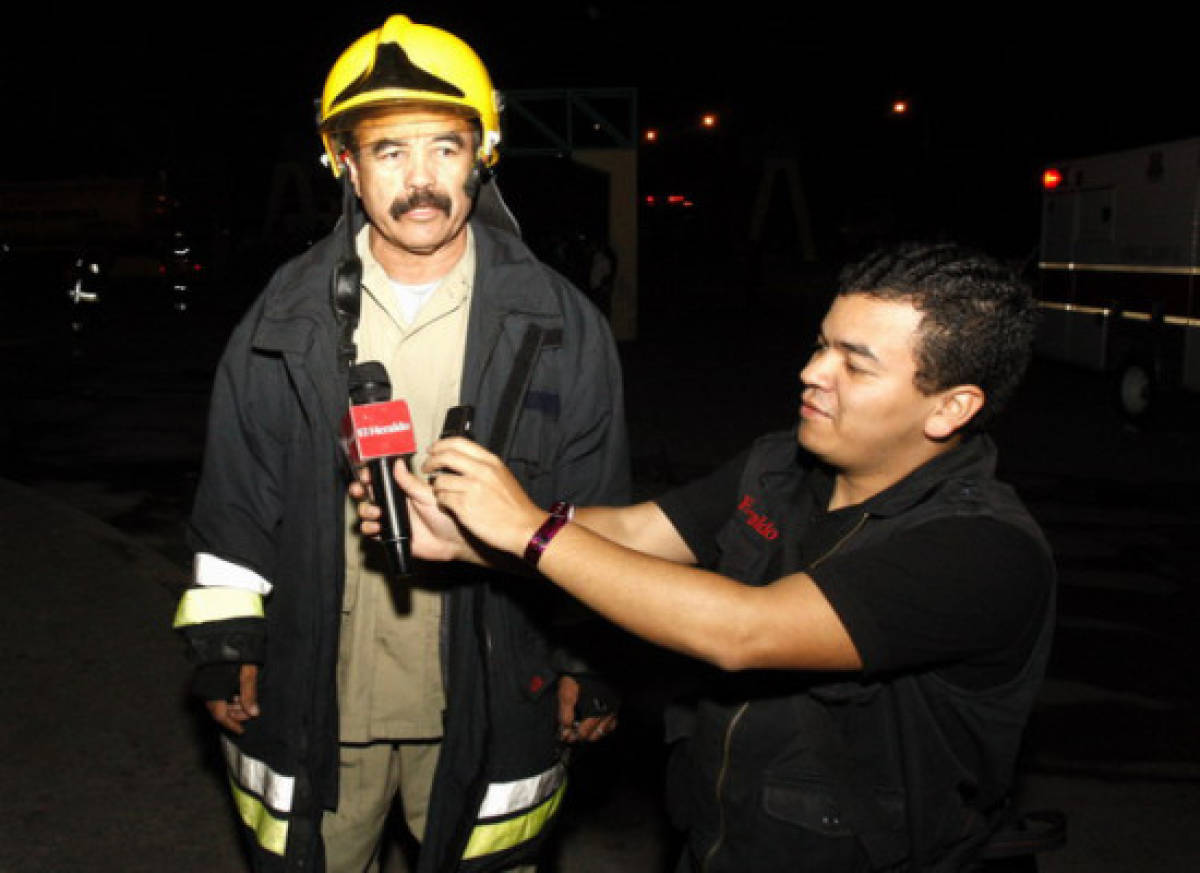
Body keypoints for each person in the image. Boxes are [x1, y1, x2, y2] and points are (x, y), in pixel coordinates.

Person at [361, 242, 1057, 872]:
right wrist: (471, 539)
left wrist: (529, 532)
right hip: (722, 840)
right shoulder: (781, 462)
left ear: (950, 408)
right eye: (821, 345)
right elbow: (635, 533)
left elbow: (744, 631)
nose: (812, 371)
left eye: (855, 363)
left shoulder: (983, 549)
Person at [172, 14, 629, 873]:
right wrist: (228, 641)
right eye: (388, 152)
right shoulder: (283, 319)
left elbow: (594, 507)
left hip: (492, 690)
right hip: (322, 692)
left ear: (483, 153)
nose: (420, 181)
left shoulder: (560, 324)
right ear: (343, 162)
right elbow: (237, 498)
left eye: (444, 148)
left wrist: (588, 655)